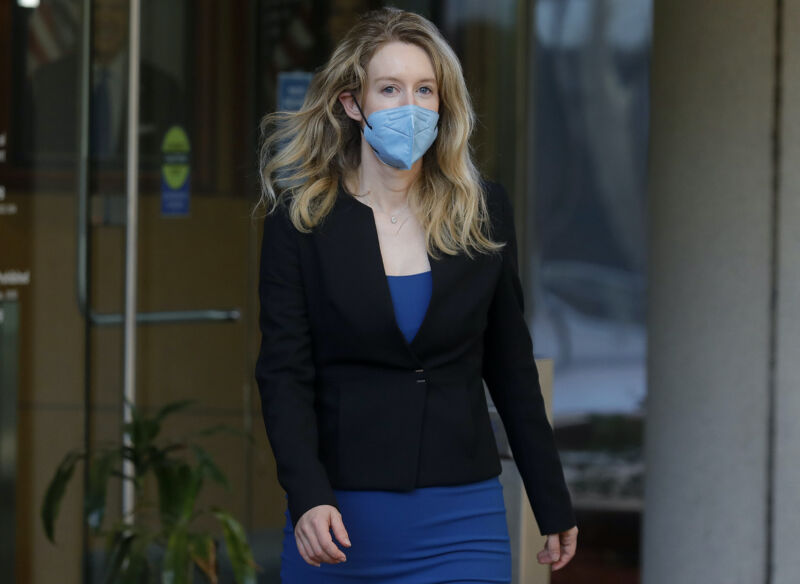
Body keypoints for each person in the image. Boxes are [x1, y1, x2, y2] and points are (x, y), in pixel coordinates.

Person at [254, 7, 578, 582]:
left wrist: (550, 497)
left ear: (443, 103)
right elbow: (284, 374)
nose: (410, 105)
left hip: (462, 519)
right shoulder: (299, 222)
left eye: (424, 89)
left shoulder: (482, 211)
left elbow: (510, 368)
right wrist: (306, 495)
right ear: (352, 104)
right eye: (390, 88)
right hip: (339, 524)